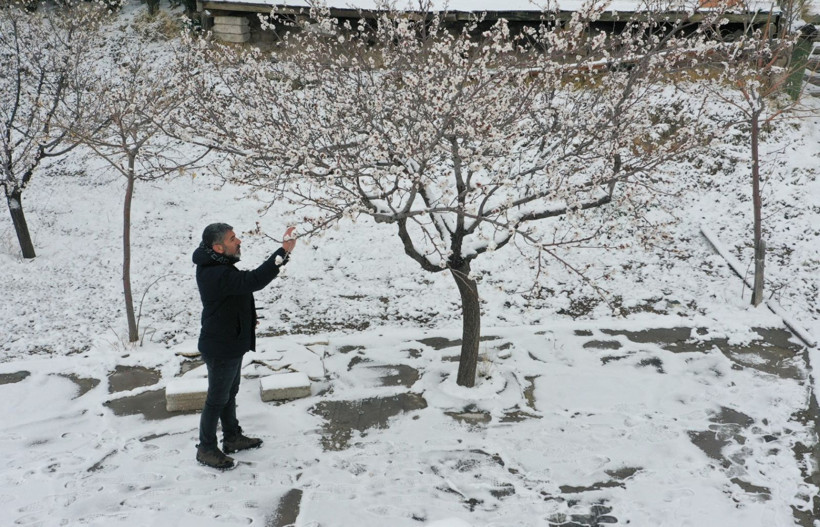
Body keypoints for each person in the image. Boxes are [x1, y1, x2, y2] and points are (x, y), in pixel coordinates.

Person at [192, 222, 296, 469]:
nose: (238, 241)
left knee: (229, 394)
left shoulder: (218, 264)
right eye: (232, 239)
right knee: (217, 399)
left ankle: (232, 437)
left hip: (230, 341)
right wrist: (283, 252)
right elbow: (252, 281)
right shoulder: (215, 273)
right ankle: (206, 448)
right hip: (220, 347)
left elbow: (237, 294)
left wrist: (247, 320)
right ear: (218, 247)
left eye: (236, 236)